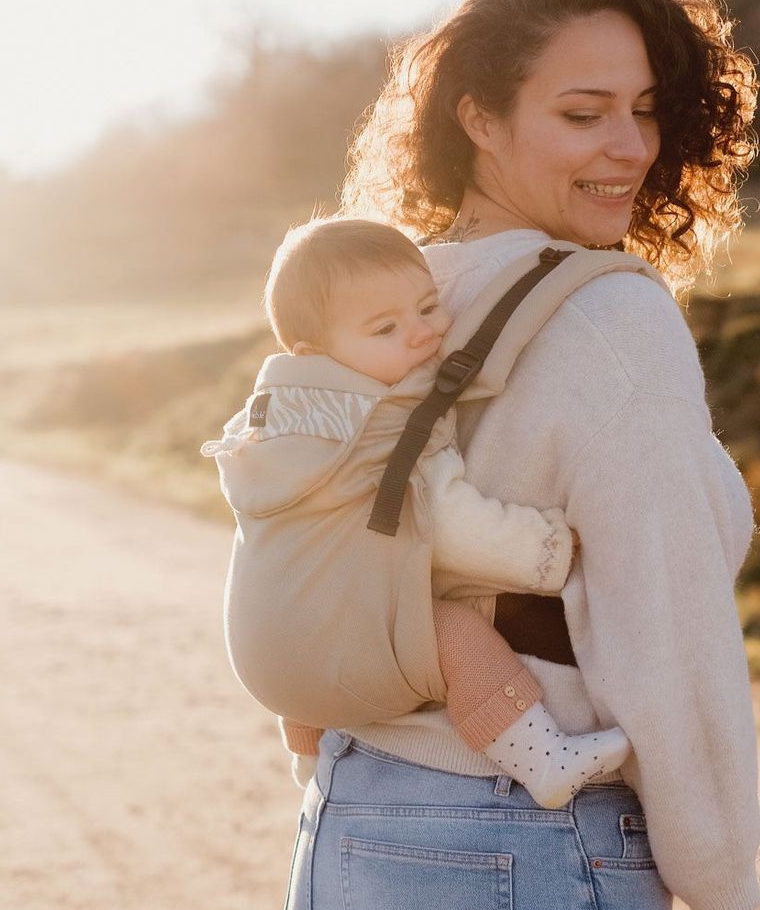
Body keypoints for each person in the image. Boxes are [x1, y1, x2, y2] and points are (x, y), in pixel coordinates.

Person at [279, 0, 760, 910]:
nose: (628, 147)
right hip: (523, 843)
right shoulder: (608, 314)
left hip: (349, 823)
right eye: (581, 114)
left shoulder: (378, 311)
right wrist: (726, 887)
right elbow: (665, 626)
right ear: (479, 120)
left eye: (644, 108)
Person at [204, 215, 632, 810]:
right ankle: (546, 760)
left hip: (266, 663)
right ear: (314, 352)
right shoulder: (383, 426)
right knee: (458, 637)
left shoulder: (275, 424)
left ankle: (310, 761)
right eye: (385, 327)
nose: (421, 334)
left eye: (429, 307)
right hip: (337, 655)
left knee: (306, 615)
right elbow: (450, 525)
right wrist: (550, 547)